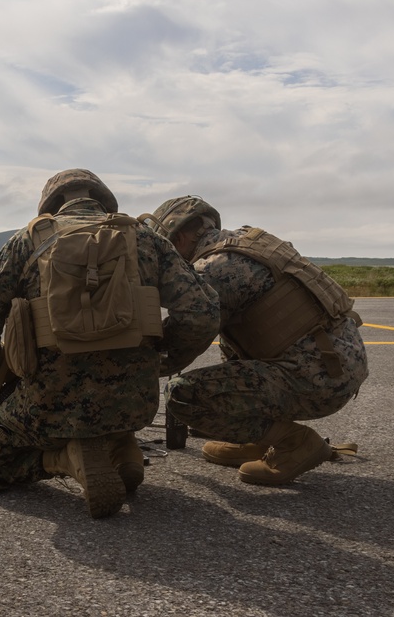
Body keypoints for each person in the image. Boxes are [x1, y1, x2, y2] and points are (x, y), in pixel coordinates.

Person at [0, 169, 220, 518]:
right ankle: (121, 445)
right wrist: (160, 361)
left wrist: (10, 379)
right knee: (113, 401)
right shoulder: (146, 238)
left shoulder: (28, 240)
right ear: (103, 199)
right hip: (136, 402)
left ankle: (67, 459)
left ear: (51, 205)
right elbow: (202, 313)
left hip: (50, 404)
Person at [145, 196, 368, 486]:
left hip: (317, 379)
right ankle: (256, 440)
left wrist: (135, 365)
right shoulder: (251, 242)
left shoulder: (212, 269)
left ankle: (295, 443)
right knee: (231, 340)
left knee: (182, 395)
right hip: (340, 362)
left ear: (181, 237)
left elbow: (183, 341)